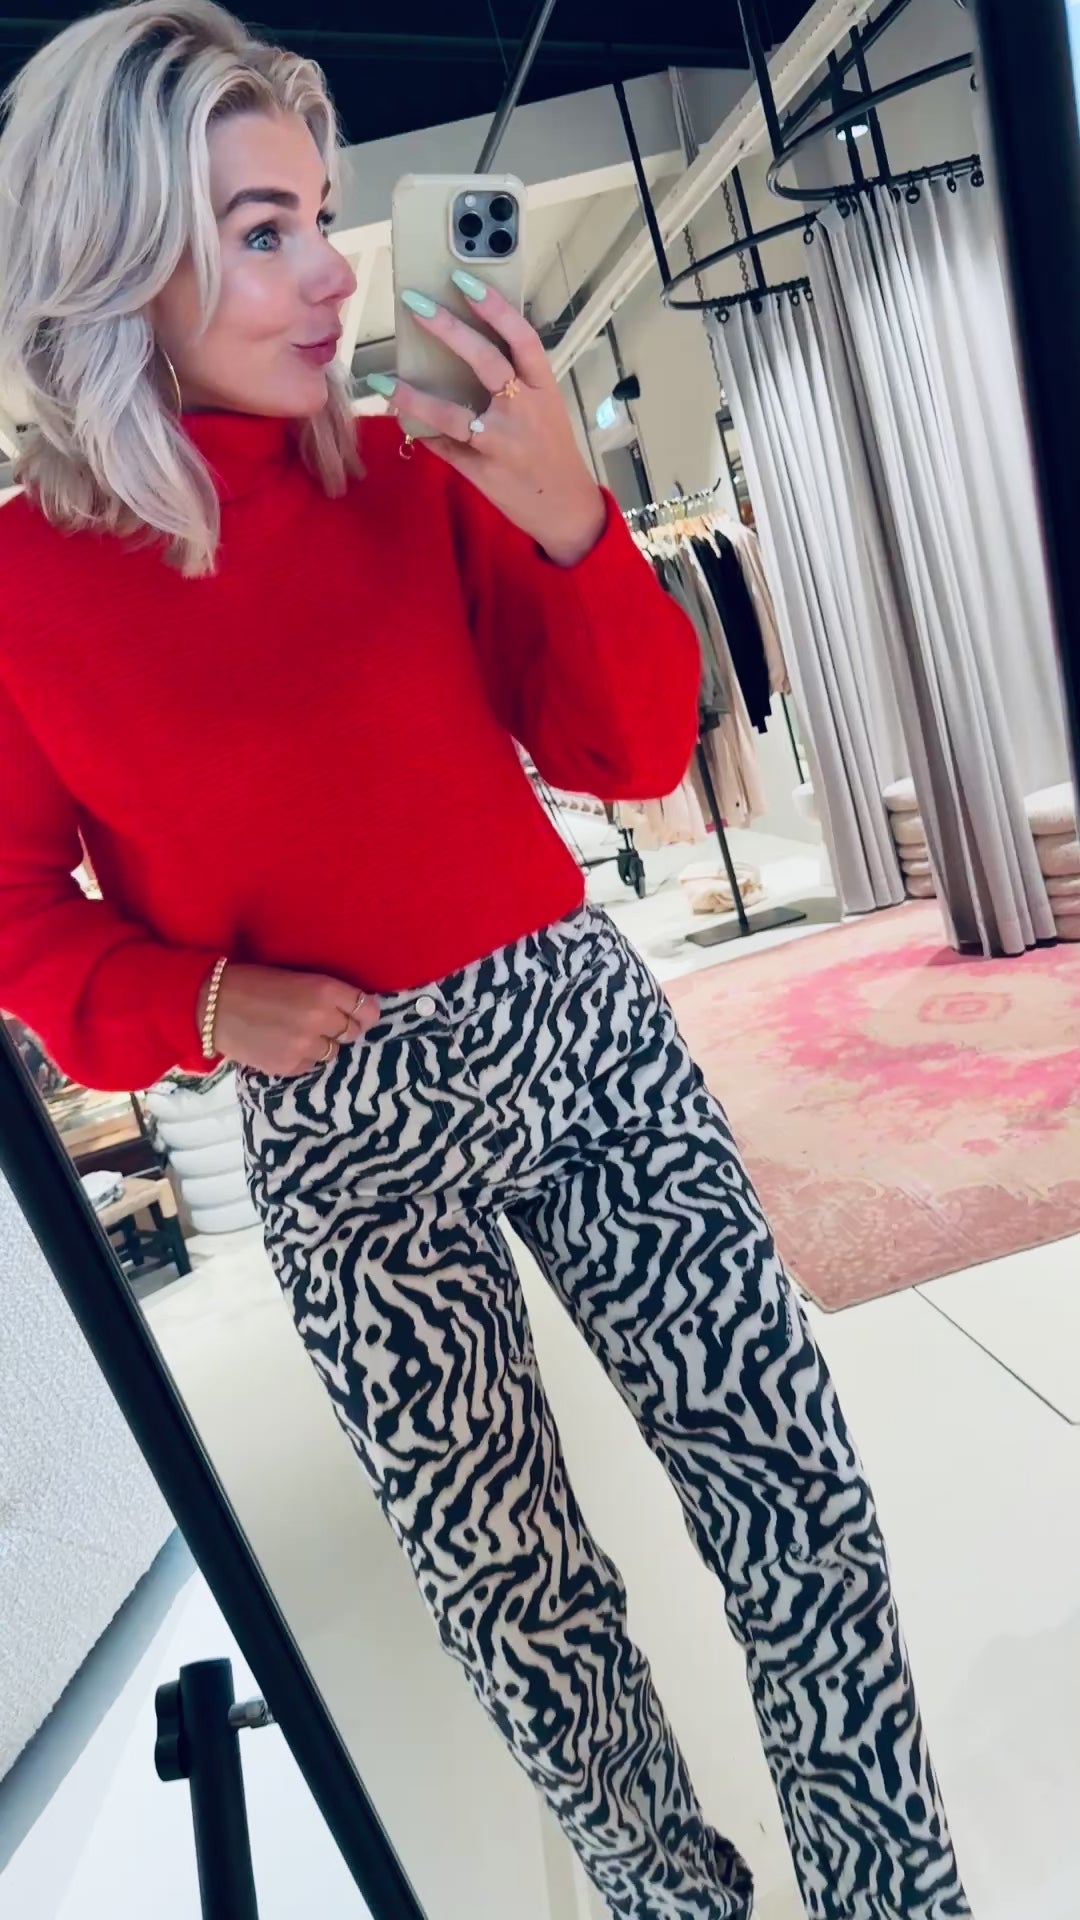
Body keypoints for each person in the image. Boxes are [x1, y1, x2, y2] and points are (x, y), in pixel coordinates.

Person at [0, 7, 969, 1916]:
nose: (329, 269)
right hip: (338, 1119)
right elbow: (17, 910)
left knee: (796, 1500)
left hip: (575, 1031)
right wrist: (201, 1003)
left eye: (318, 216)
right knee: (518, 1603)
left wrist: (570, 517)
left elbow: (633, 749)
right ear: (113, 259)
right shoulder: (21, 588)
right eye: (260, 229)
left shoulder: (414, 468)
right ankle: (671, 1900)